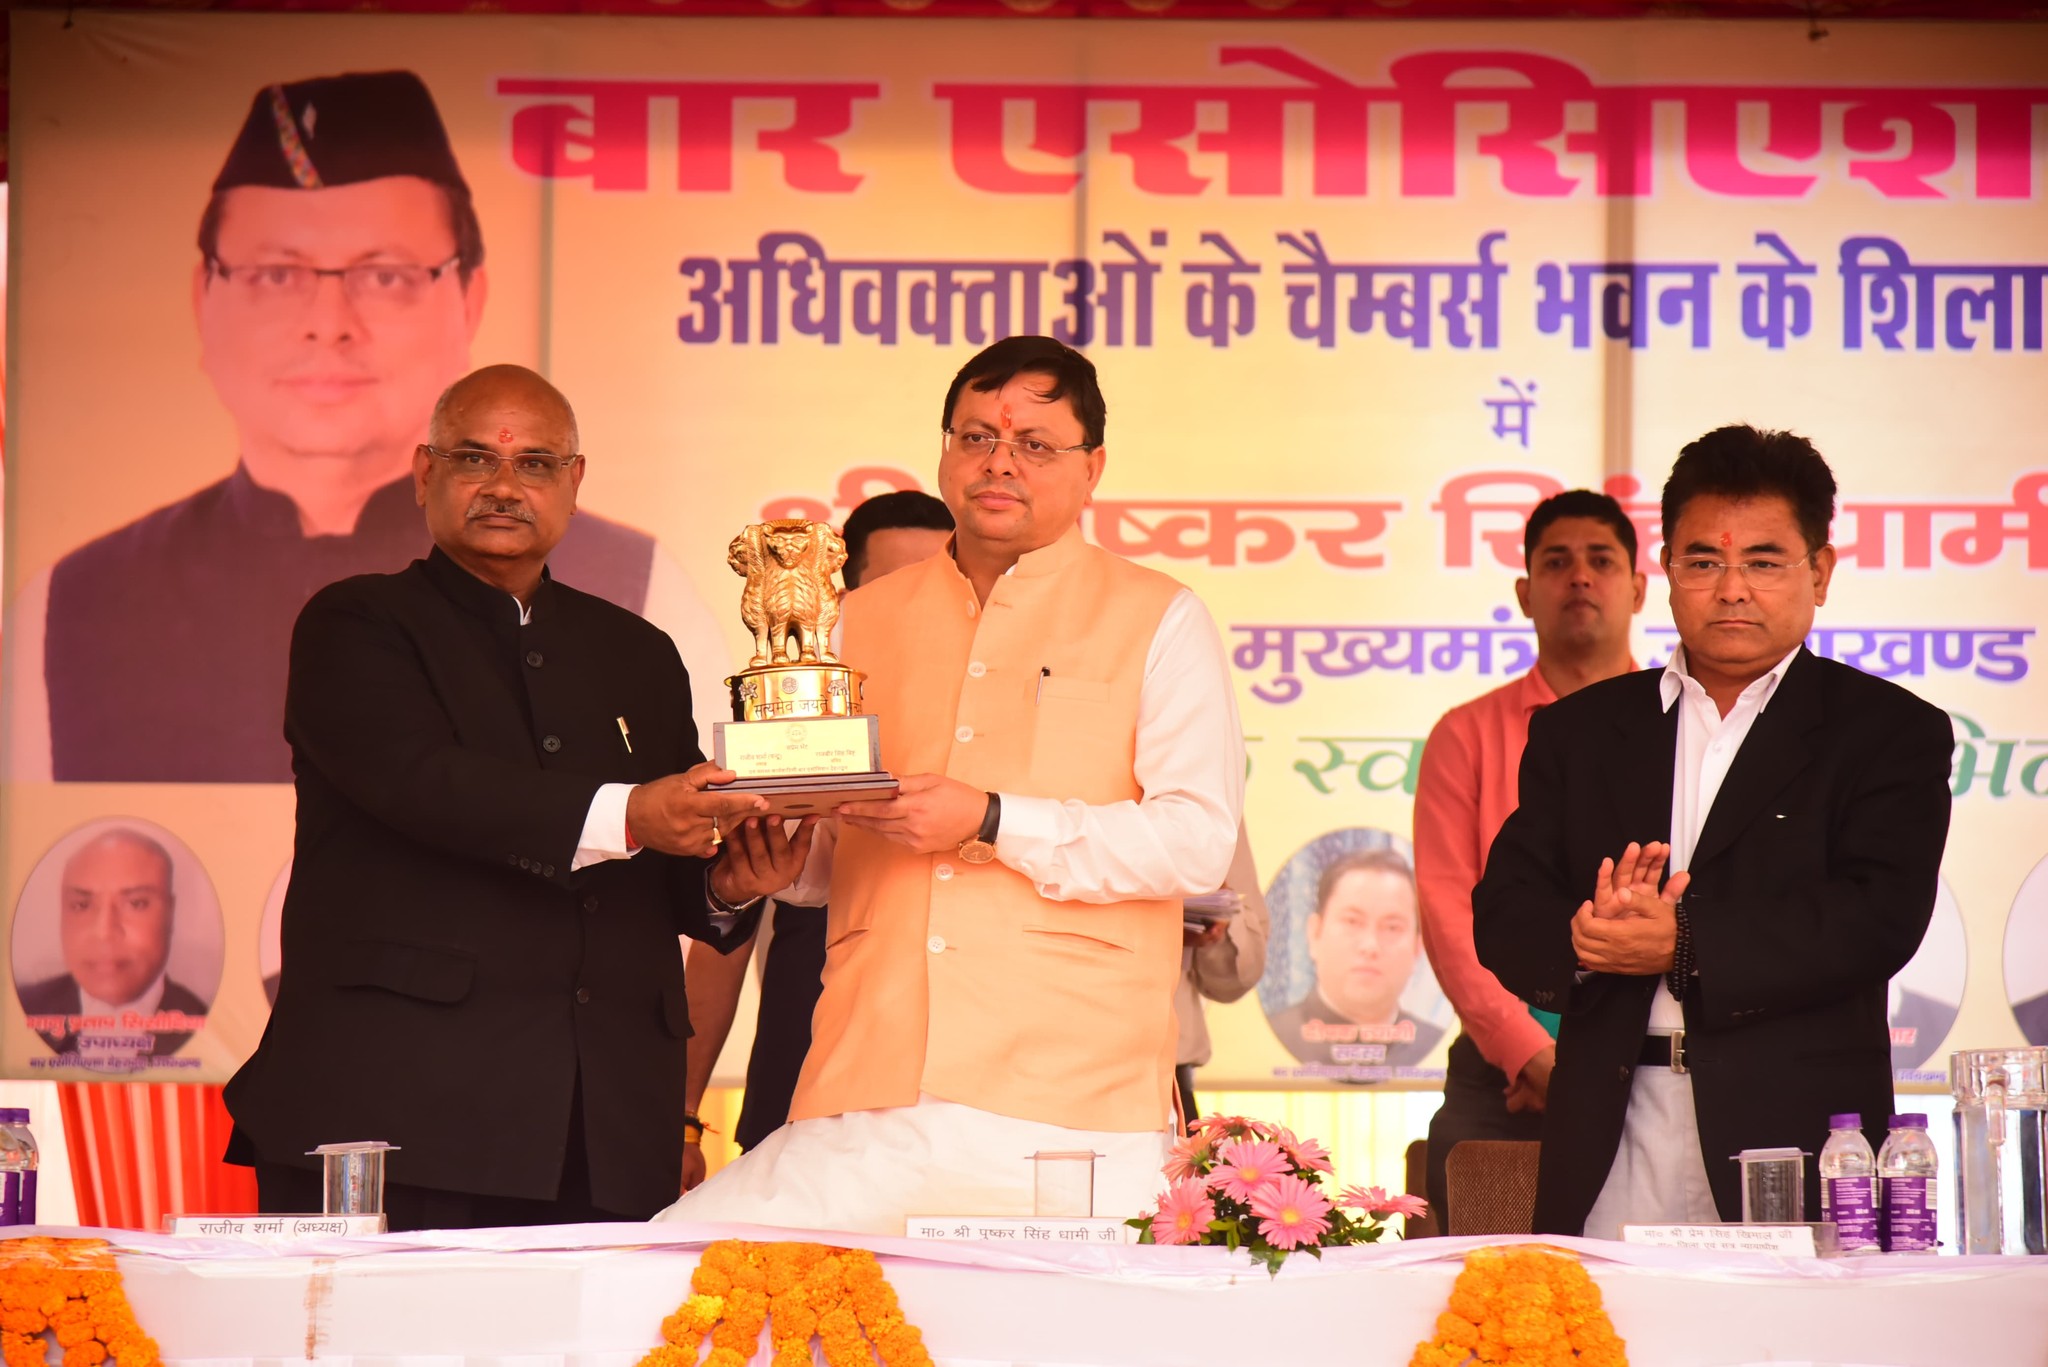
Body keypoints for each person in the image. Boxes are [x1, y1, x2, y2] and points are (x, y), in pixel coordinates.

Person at [660, 335, 1244, 1233]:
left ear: (1092, 468)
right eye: (976, 437)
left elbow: (1196, 841)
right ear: (944, 451)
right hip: (867, 1082)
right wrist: (781, 862)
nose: (999, 462)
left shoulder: (1160, 616)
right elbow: (834, 854)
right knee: (697, 1278)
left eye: (1035, 444)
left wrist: (993, 819)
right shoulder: (854, 619)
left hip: (1070, 1098)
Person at [8, 69, 726, 783]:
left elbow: (688, 824)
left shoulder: (647, 600)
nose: (328, 325)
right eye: (275, 274)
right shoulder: (67, 606)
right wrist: (625, 815)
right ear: (203, 299)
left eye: (386, 276)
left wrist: (735, 848)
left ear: (469, 301)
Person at [221, 365, 810, 1229]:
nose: (504, 486)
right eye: (474, 459)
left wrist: (728, 881)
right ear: (424, 473)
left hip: (602, 1125)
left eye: (535, 463)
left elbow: (668, 867)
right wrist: (630, 813)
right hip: (399, 1112)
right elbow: (424, 784)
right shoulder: (357, 623)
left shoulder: (636, 650)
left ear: (574, 482)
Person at [1474, 425, 1953, 1238]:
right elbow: (1504, 910)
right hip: (1611, 1130)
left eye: (1763, 562)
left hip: (1796, 1133)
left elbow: (1878, 918)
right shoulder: (1580, 731)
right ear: (1666, 571)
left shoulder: (1887, 731)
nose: (1732, 589)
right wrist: (1586, 938)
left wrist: (1683, 941)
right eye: (1703, 562)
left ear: (1821, 571)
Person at [679, 489, 954, 1185]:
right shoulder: (794, 724)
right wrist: (682, 1112)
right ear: (842, 595)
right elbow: (725, 934)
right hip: (807, 1063)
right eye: (897, 584)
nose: (921, 602)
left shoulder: (990, 718)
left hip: (961, 1089)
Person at [1414, 490, 1646, 1231]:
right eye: (1556, 562)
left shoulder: (1686, 729)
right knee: (1483, 1281)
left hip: (1653, 1055)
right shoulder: (1466, 735)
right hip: (1503, 1071)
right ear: (1524, 593)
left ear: (1639, 589)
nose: (1579, 576)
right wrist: (1529, 1054)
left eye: (1601, 560)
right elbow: (1450, 915)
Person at [17, 828, 211, 1064]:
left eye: (136, 903)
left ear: (170, 914)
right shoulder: (22, 1009)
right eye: (81, 905)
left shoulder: (210, 1025)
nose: (104, 932)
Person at [1266, 848, 1444, 1069]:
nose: (1370, 946)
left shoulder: (1435, 1047)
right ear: (1315, 933)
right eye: (1352, 922)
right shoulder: (1273, 1038)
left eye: (1392, 927)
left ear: (1418, 947)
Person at [1176, 824, 1270, 1127]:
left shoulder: (1206, 802)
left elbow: (1238, 975)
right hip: (1048, 1067)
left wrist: (1215, 922)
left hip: (1164, 1083)